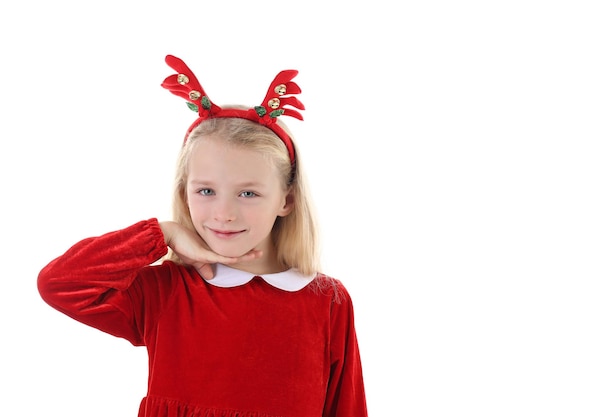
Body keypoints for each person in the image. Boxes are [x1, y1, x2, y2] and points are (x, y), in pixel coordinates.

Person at [37, 55, 368, 417]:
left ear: (286, 200)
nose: (224, 214)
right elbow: (61, 283)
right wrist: (161, 234)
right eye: (206, 191)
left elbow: (346, 408)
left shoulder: (327, 301)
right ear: (185, 195)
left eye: (248, 193)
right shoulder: (167, 290)